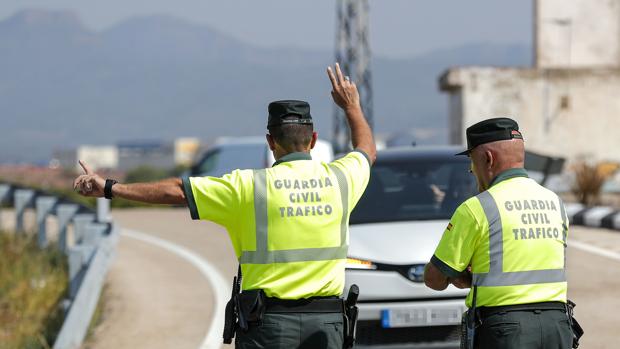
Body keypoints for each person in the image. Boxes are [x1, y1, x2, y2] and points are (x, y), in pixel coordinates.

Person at [73, 63, 376, 349]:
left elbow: (177, 191)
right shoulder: (341, 179)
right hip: (326, 325)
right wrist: (351, 107)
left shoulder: (246, 186)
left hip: (269, 326)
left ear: (270, 141)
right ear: (313, 139)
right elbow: (366, 150)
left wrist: (111, 187)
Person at [423, 118, 574, 349]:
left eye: (471, 162)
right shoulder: (556, 203)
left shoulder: (477, 208)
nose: (471, 170)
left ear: (488, 158)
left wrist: (462, 277)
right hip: (558, 325)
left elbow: (434, 278)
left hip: (506, 330)